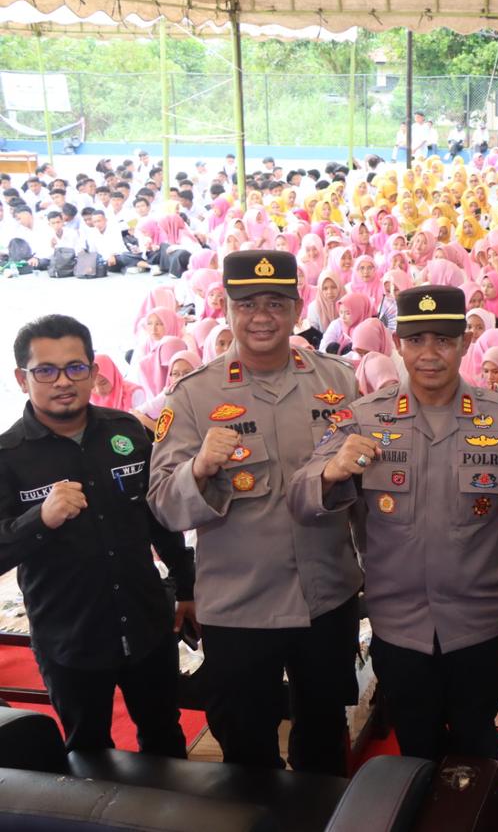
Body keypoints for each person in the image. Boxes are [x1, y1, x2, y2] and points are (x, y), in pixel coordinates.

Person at [289, 285, 498, 762]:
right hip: (399, 627)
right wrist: (329, 472)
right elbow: (301, 501)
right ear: (396, 342)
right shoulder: (361, 419)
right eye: (416, 340)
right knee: (416, 754)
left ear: (466, 342)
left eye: (444, 340)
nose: (429, 354)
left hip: (482, 626)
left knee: (479, 752)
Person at [148, 250, 363, 775]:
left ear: (297, 307)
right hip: (241, 608)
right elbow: (161, 502)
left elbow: (362, 491)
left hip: (325, 599)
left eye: (276, 302)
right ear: (226, 308)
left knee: (323, 739)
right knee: (245, 750)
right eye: (247, 304)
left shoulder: (338, 382)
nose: (262, 316)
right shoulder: (194, 395)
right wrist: (197, 469)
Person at [0, 315, 194, 756]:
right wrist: (39, 520)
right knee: (89, 754)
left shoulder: (126, 430)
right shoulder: (8, 456)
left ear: (93, 371)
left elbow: (159, 516)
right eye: (45, 371)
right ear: (21, 378)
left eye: (75, 367)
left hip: (147, 625)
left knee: (165, 739)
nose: (63, 381)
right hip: (70, 638)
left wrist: (187, 585)